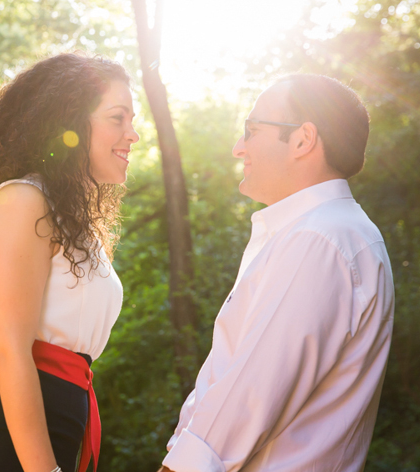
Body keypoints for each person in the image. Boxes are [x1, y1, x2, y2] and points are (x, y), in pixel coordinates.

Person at [159, 74, 395, 472]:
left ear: (303, 139)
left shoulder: (318, 240)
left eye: (251, 131)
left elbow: (246, 398)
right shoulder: (329, 235)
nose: (238, 148)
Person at [0, 53, 139, 472]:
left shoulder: (72, 221)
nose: (133, 134)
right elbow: (8, 351)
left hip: (42, 430)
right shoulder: (23, 200)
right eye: (118, 117)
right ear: (68, 122)